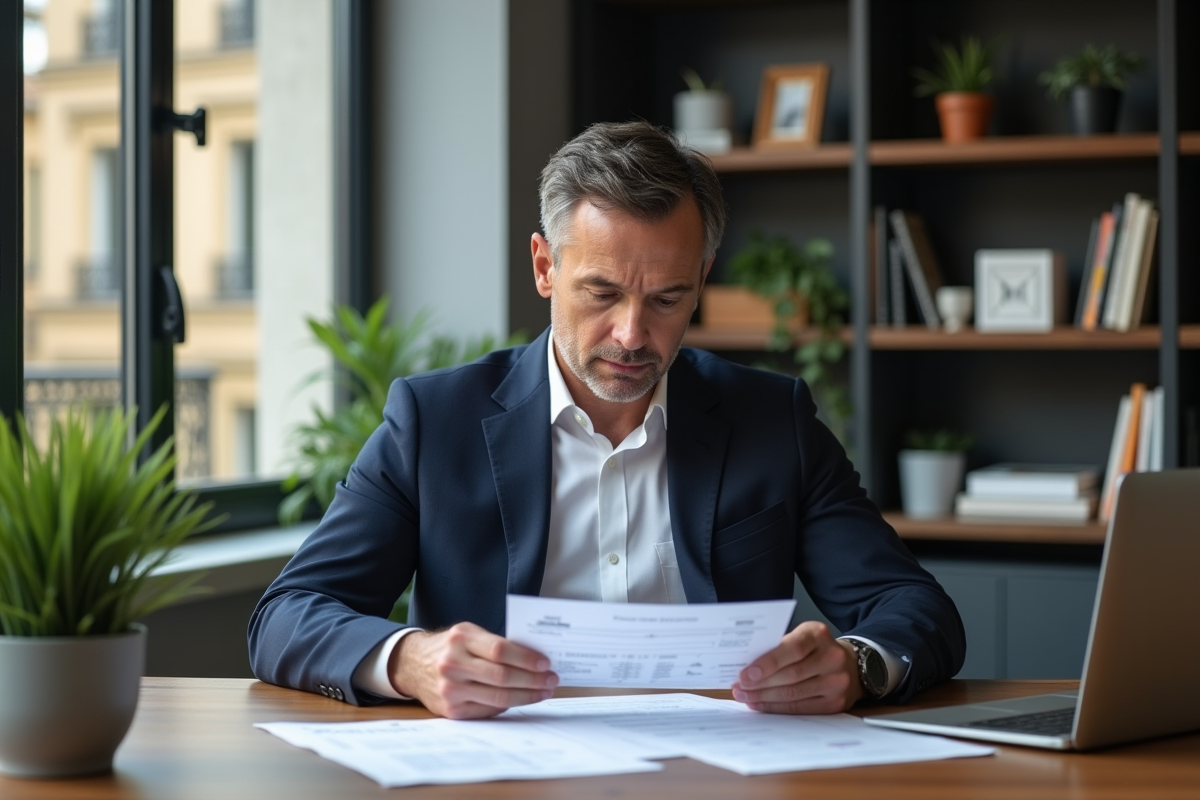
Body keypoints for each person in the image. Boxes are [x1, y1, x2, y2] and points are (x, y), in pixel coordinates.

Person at [248, 121, 965, 720]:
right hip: (498, 776)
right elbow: (288, 614)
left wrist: (860, 663)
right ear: (544, 267)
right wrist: (411, 660)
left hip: (722, 772)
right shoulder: (434, 421)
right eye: (602, 292)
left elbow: (913, 608)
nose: (629, 334)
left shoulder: (771, 420)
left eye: (665, 299)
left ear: (702, 281)